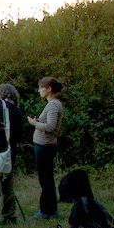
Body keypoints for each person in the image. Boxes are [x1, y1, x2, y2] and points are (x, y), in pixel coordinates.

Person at [27, 76, 64, 220]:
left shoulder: (53, 105)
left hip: (45, 146)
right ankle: (49, 210)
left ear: (48, 89)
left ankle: (47, 211)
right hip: (45, 146)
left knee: (45, 180)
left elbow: (50, 127)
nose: (39, 90)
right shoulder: (53, 104)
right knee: (46, 179)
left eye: (41, 87)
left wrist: (34, 123)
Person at [0, 83, 24, 224]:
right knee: (7, 182)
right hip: (11, 150)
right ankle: (8, 215)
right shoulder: (17, 111)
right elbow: (19, 134)